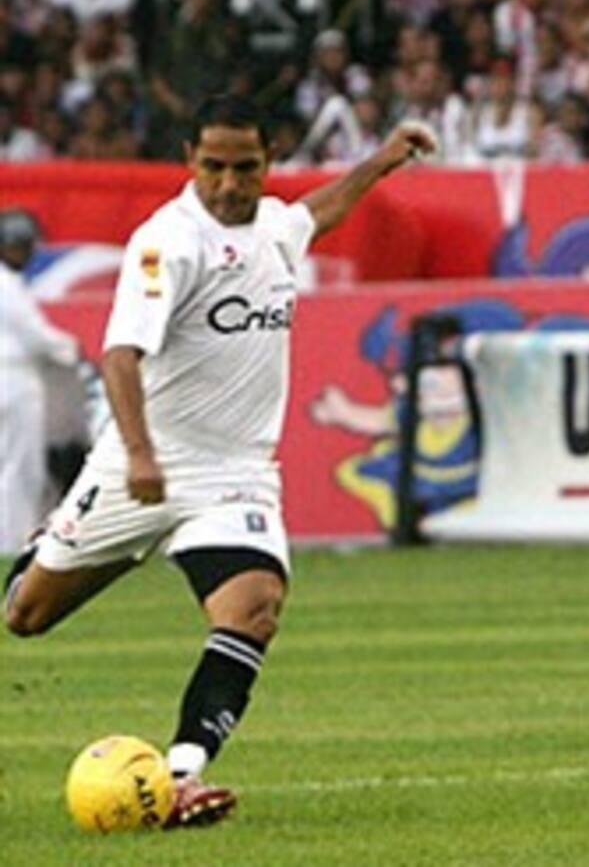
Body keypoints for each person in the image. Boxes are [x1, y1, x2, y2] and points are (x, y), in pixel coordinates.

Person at [3, 94, 436, 827]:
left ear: (269, 162)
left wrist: (383, 160)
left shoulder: (273, 225)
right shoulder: (166, 243)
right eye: (214, 167)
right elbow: (119, 356)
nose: (230, 184)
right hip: (140, 466)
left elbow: (314, 214)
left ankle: (178, 777)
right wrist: (139, 455)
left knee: (254, 608)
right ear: (189, 162)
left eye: (246, 167)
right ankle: (84, 541)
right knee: (24, 614)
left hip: (233, 474)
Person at [0, 209, 80, 553]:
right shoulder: (5, 282)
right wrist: (71, 350)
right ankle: (10, 543)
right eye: (21, 246)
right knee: (20, 467)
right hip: (13, 379)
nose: (26, 253)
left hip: (14, 377)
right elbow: (34, 335)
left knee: (13, 464)